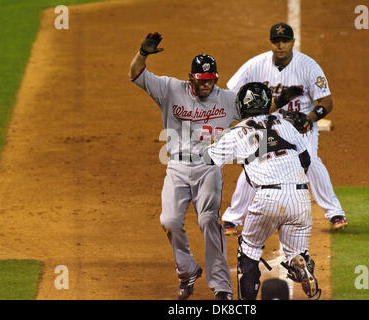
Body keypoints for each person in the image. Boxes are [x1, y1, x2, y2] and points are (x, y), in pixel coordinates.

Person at [129, 32, 240, 300]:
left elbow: (258, 108)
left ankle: (222, 287)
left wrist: (282, 103)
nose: (207, 86)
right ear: (191, 77)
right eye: (202, 81)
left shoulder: (226, 99)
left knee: (208, 220)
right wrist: (142, 54)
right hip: (176, 168)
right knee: (169, 221)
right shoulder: (169, 89)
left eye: (211, 80)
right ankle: (187, 269)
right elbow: (135, 74)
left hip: (208, 168)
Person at [222, 22, 348, 235]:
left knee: (311, 163)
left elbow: (326, 101)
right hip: (269, 125)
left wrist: (310, 116)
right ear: (270, 43)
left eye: (285, 41)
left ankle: (335, 212)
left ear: (293, 42)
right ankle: (232, 218)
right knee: (255, 163)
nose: (280, 45)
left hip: (301, 127)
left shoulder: (308, 66)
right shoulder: (255, 65)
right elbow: (229, 95)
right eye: (276, 41)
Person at [203, 82, 321, 300]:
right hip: (300, 195)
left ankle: (245, 303)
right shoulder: (285, 124)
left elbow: (206, 162)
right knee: (296, 251)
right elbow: (305, 159)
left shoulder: (236, 133)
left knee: (249, 250)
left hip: (267, 197)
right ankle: (300, 263)